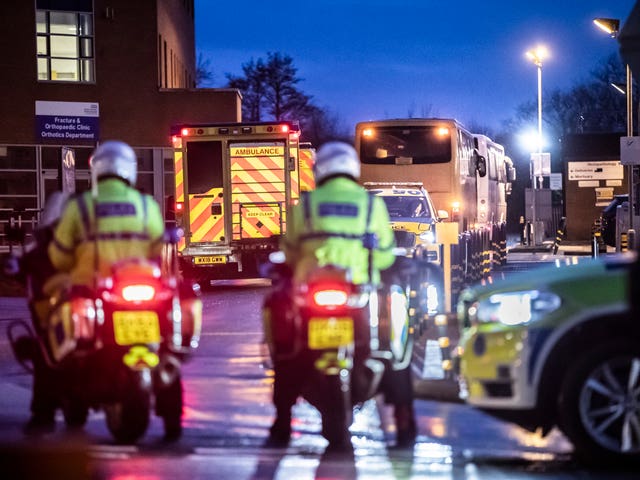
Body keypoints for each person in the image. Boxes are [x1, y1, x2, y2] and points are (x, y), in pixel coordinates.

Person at [265, 141, 417, 448]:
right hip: (358, 297)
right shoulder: (371, 205)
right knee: (393, 349)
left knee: (289, 352)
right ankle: (403, 420)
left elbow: (289, 252)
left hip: (311, 296)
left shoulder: (305, 206)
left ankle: (281, 422)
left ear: (319, 169)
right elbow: (386, 255)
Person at [18, 191, 69, 434]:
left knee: (44, 352)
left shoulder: (80, 244)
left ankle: (43, 413)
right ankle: (43, 412)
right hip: (58, 313)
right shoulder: (44, 252)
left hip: (73, 314)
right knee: (44, 352)